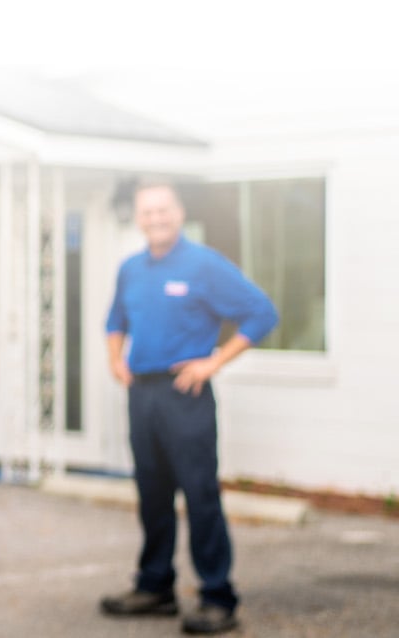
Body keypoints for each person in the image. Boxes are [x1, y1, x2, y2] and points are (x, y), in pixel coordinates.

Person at [98, 180, 276, 636]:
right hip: (143, 394)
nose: (155, 218)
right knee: (152, 494)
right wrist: (115, 361)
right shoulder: (130, 269)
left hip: (185, 393)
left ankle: (218, 597)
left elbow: (261, 313)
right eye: (146, 212)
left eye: (163, 210)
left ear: (179, 213)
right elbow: (115, 320)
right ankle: (155, 587)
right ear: (138, 218)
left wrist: (214, 362)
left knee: (199, 496)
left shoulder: (204, 265)